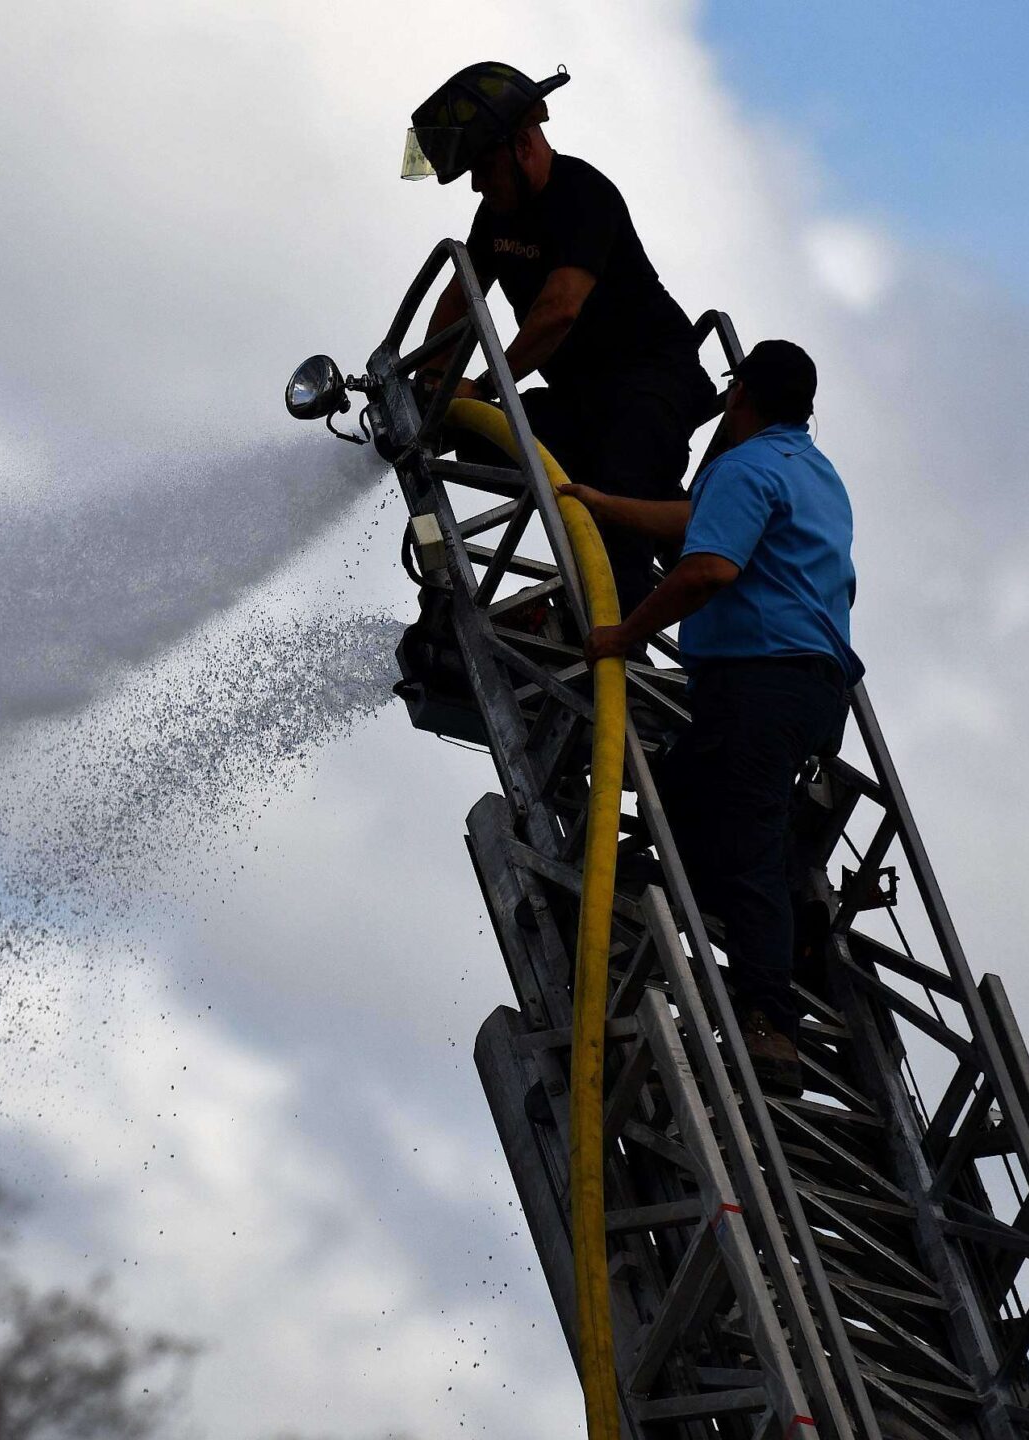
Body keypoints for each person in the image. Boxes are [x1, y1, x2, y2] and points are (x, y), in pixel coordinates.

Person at [581, 340, 859, 1094]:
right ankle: (771, 929)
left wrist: (623, 635)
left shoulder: (743, 466)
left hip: (761, 681)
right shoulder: (812, 471)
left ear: (739, 396)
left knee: (744, 844)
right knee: (681, 795)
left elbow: (709, 566)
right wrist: (602, 505)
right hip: (809, 686)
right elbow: (698, 523)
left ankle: (770, 1020)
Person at [408, 61, 718, 617]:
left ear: (523, 145)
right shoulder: (495, 215)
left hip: (654, 379)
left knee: (621, 481)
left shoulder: (584, 195)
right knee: (476, 437)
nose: (477, 184)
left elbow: (558, 312)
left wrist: (484, 385)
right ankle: (672, 528)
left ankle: (610, 634)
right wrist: (433, 381)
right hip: (583, 398)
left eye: (483, 167)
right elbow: (459, 300)